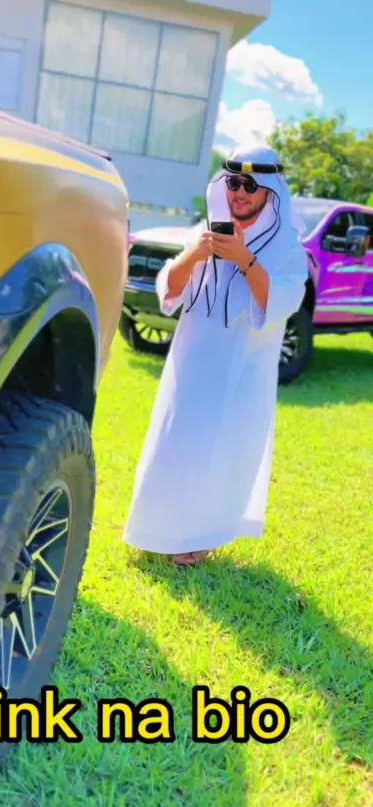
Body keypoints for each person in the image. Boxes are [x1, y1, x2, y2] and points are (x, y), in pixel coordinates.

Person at [122, 143, 308, 567]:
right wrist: (196, 252)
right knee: (173, 444)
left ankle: (197, 538)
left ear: (269, 191)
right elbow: (169, 291)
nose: (239, 192)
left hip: (240, 372)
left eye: (250, 185)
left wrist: (245, 260)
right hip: (190, 365)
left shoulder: (288, 248)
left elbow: (280, 302)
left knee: (222, 454)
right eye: (233, 183)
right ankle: (153, 529)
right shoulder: (203, 232)